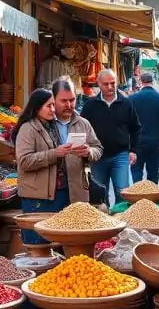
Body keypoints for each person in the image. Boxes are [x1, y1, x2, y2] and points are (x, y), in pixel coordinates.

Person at [13, 87, 102, 244]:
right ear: (37, 107)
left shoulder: (69, 124)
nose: (54, 110)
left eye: (72, 100)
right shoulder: (29, 128)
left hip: (67, 192)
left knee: (62, 241)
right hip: (40, 196)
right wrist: (55, 153)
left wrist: (88, 152)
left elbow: (98, 148)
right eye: (50, 106)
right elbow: (25, 161)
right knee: (39, 243)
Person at [80, 69, 141, 203]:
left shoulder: (126, 104)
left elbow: (135, 128)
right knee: (100, 193)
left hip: (120, 155)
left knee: (123, 192)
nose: (110, 87)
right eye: (106, 84)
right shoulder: (90, 105)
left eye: (112, 83)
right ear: (99, 84)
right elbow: (81, 128)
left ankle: (122, 220)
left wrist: (133, 150)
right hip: (97, 157)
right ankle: (105, 221)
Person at [128, 72, 159, 183]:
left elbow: (125, 122)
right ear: (152, 82)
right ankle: (152, 197)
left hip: (136, 143)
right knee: (153, 173)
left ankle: (137, 196)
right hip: (155, 142)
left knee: (136, 171)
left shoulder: (132, 99)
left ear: (140, 82)